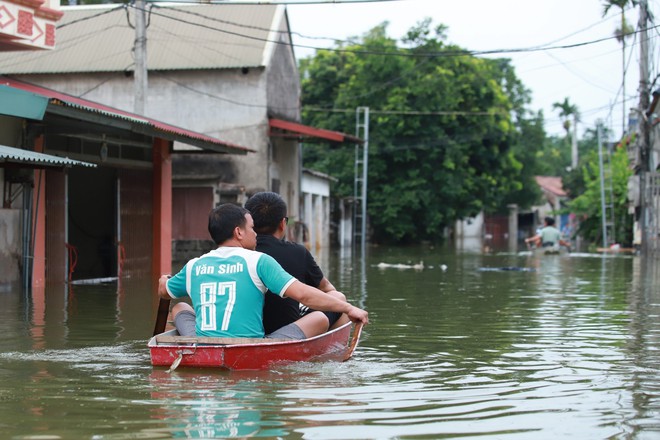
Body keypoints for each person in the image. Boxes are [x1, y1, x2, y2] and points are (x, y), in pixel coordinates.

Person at [157, 203, 368, 340]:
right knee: (319, 319)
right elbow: (304, 294)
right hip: (252, 347)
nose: (255, 233)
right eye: (251, 228)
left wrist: (164, 281)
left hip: (204, 344)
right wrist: (348, 308)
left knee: (181, 306)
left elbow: (164, 291)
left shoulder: (194, 265)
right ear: (238, 232)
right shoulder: (258, 261)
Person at [245, 191, 349, 336]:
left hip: (246, 331)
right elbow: (328, 289)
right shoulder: (297, 252)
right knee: (338, 299)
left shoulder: (236, 254)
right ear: (283, 223)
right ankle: (331, 350)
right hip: (288, 331)